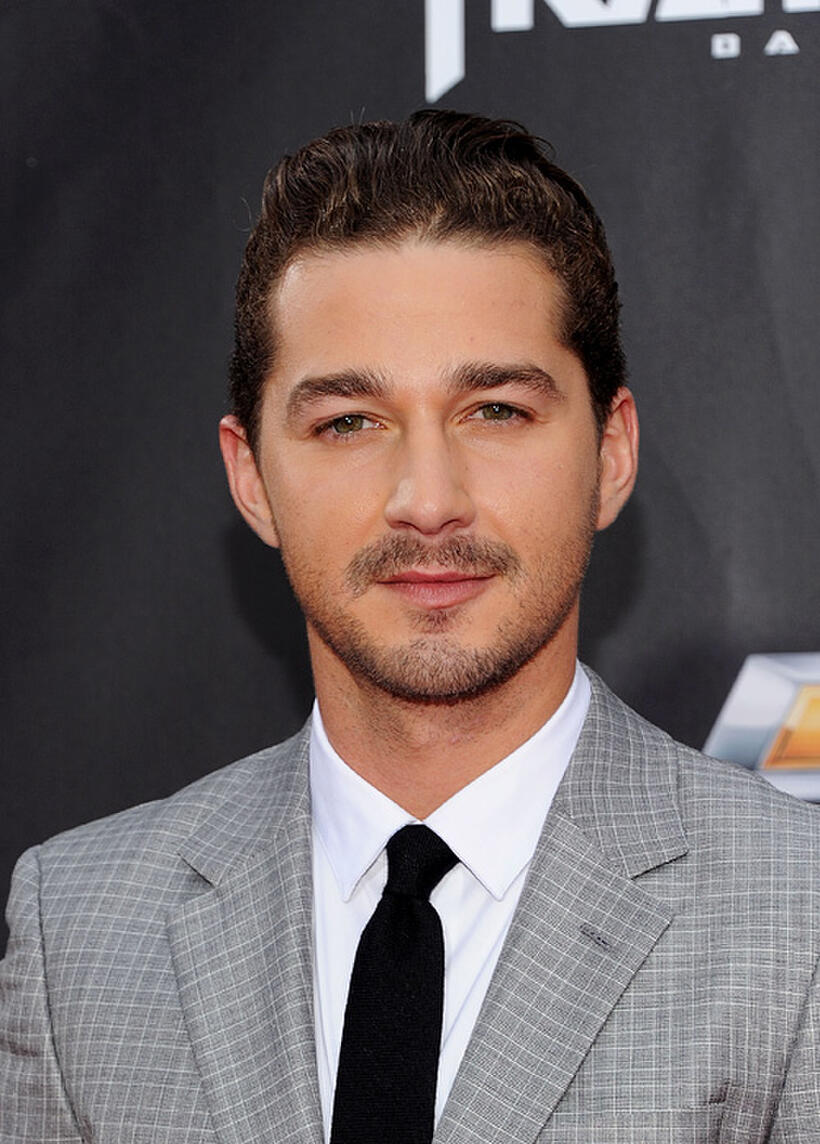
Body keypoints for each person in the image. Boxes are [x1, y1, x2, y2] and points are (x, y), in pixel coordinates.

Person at [1, 111, 818, 1143]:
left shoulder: (799, 915)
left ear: (610, 453)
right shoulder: (76, 928)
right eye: (348, 422)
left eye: (496, 410)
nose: (427, 499)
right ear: (250, 477)